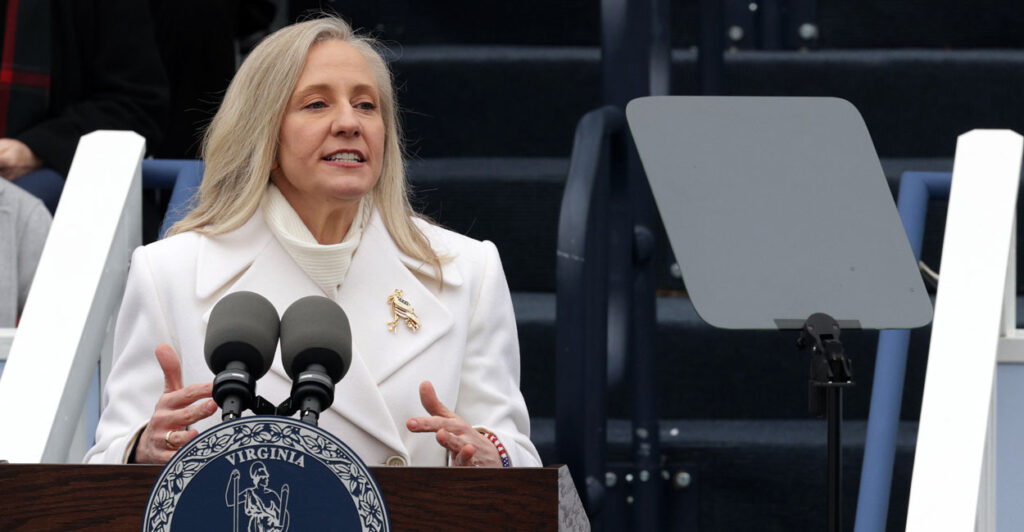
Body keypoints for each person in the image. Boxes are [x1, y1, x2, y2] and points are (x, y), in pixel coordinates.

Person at [84, 17, 541, 469]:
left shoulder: (467, 269)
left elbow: (516, 452)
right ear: (263, 133)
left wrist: (489, 455)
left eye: (366, 105)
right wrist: (142, 448)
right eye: (317, 104)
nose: (349, 122)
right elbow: (107, 460)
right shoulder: (168, 272)